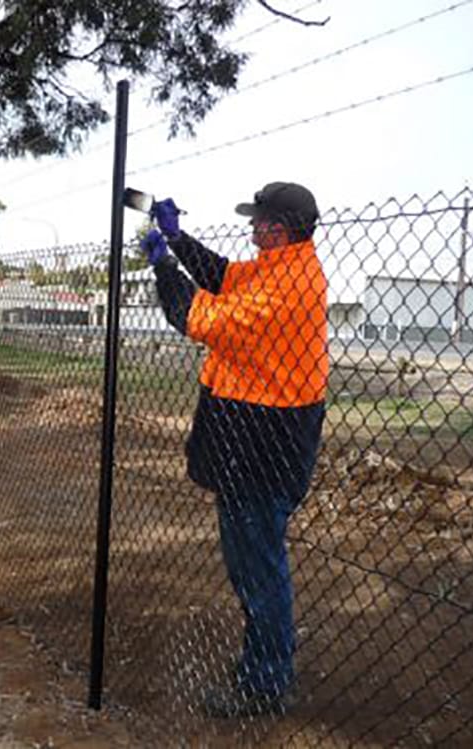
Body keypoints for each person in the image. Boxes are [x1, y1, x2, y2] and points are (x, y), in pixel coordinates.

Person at [141, 182, 329, 718]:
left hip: (262, 448)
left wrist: (161, 267)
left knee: (258, 571)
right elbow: (223, 277)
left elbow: (197, 318)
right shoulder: (280, 267)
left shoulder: (287, 286)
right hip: (253, 440)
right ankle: (270, 659)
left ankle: (265, 682)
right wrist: (178, 241)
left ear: (281, 228)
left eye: (259, 222)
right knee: (255, 565)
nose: (252, 229)